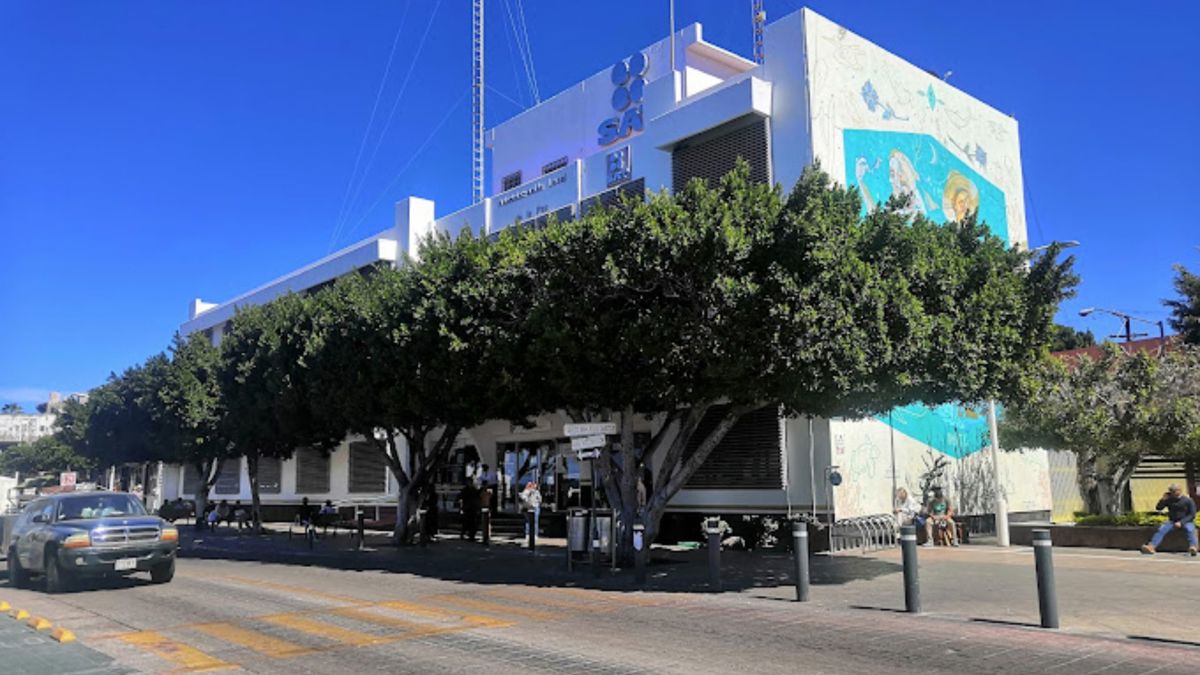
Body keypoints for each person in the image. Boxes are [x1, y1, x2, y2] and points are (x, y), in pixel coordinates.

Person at [1141, 484, 1198, 556]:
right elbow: (1159, 508)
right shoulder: (1169, 500)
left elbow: (1192, 514)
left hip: (1186, 521)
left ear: (1180, 491)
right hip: (1172, 521)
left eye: (1175, 491)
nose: (1173, 493)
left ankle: (1193, 547)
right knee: (1162, 529)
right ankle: (1151, 546)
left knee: (1190, 529)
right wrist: (1163, 500)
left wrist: (1182, 522)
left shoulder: (1188, 500)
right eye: (1172, 491)